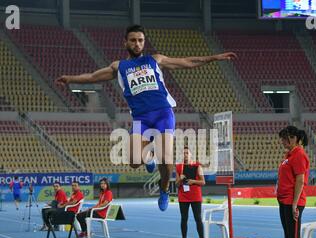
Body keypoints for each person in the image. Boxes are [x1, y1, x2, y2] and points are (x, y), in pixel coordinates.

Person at [55, 24, 237, 212]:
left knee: (166, 160)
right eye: (133, 40)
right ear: (125, 42)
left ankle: (164, 189)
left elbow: (186, 62)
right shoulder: (119, 66)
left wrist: (214, 58)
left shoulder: (155, 60)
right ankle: (148, 158)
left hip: (163, 113)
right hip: (141, 118)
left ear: (144, 42)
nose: (137, 44)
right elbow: (93, 76)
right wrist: (70, 78)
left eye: (140, 40)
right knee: (134, 161)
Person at [277, 126, 310, 238]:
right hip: (284, 201)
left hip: (292, 202)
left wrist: (295, 204)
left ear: (295, 138)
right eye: (282, 139)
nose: (283, 142)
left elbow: (300, 180)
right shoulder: (289, 155)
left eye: (286, 138)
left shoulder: (299, 155)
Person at [175, 146, 208, 238]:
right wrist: (180, 179)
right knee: (184, 218)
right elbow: (176, 184)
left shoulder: (198, 166)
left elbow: (203, 182)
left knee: (197, 218)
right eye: (183, 153)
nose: (185, 155)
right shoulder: (179, 167)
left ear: (191, 155)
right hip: (183, 196)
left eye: (187, 153)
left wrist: (193, 181)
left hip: (195, 196)